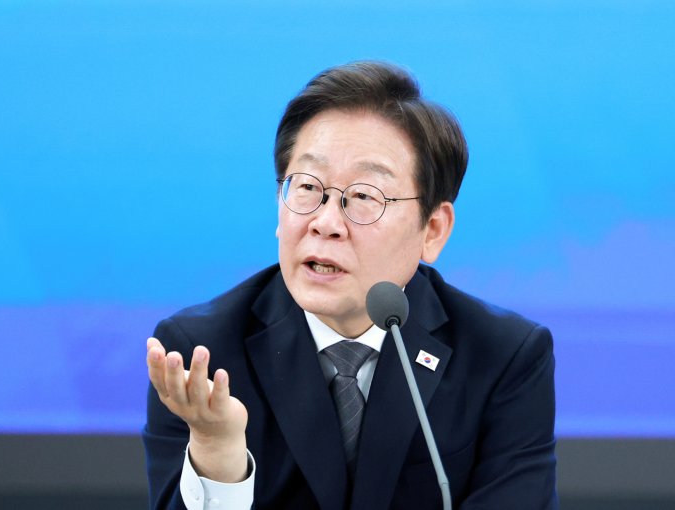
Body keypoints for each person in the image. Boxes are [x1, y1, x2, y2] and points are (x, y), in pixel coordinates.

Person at [143, 61, 557, 510]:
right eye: (307, 187)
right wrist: (217, 457)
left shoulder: (503, 357)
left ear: (433, 229)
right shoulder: (199, 356)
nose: (325, 223)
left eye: (363, 196)